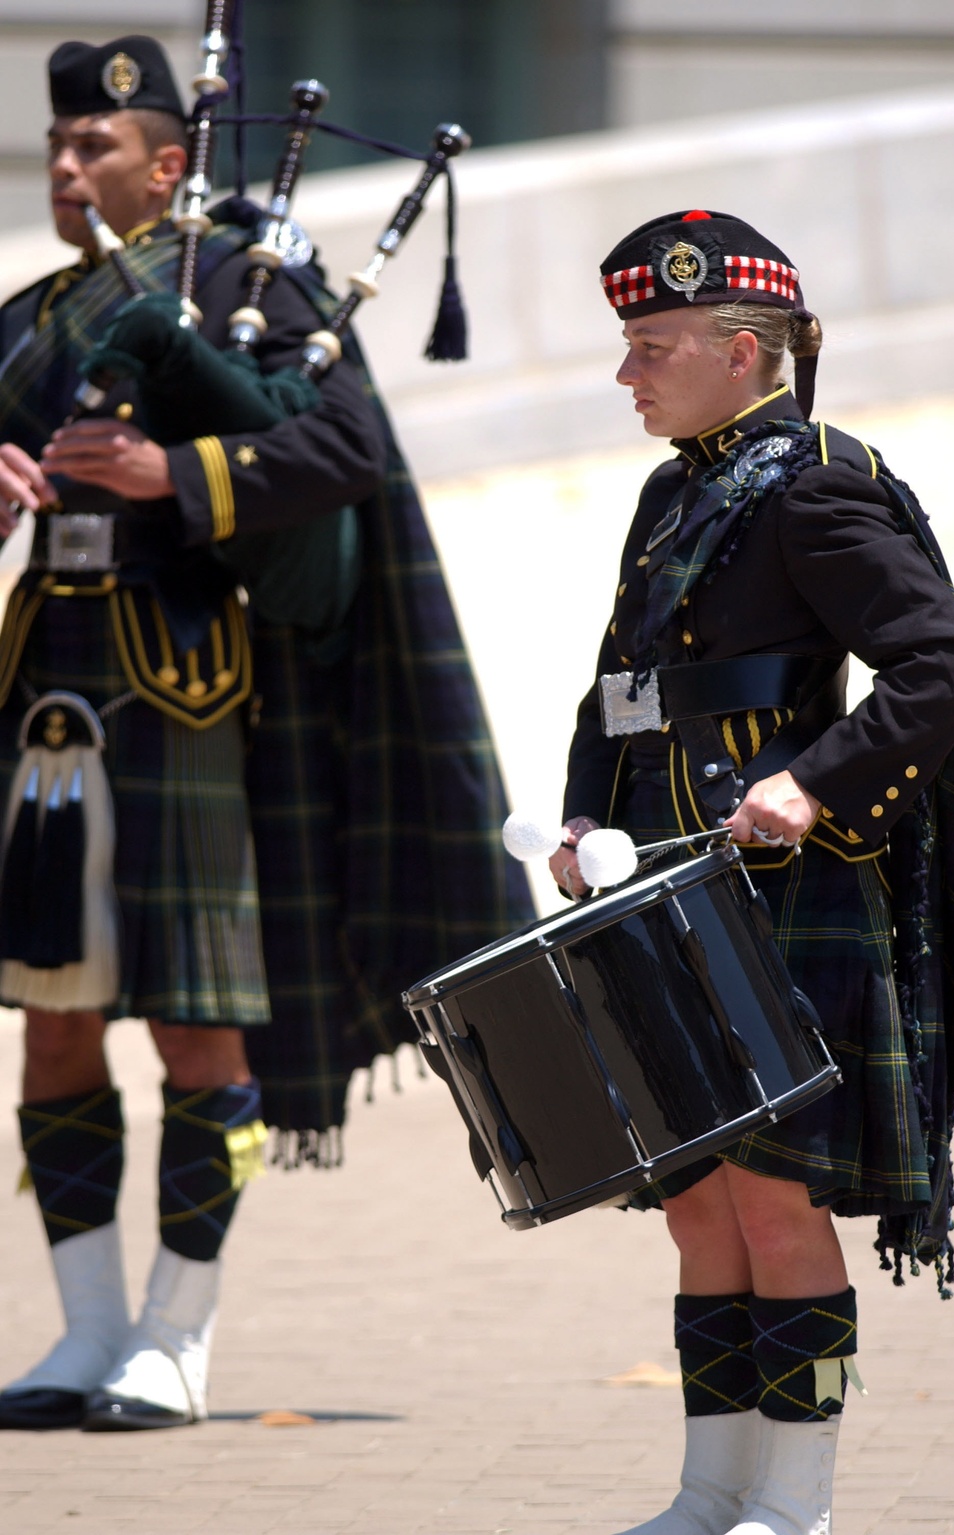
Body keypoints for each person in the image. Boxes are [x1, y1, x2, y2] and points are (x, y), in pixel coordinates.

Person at [0, 36, 529, 1434]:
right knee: (51, 1028)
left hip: (191, 701)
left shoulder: (244, 283)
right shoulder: (24, 319)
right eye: (57, 149)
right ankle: (87, 1335)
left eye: (95, 148)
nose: (66, 168)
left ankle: (176, 1342)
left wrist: (177, 470)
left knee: (195, 1028)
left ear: (171, 160)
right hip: (45, 704)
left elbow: (347, 445)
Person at [551, 210, 954, 1535]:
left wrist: (813, 781)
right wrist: (582, 819)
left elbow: (941, 664)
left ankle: (792, 1509)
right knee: (699, 1205)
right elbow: (618, 695)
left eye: (651, 346)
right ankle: (709, 1495)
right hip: (667, 889)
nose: (626, 374)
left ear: (747, 351)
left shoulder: (817, 486)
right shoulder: (670, 490)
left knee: (780, 1205)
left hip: (787, 890)